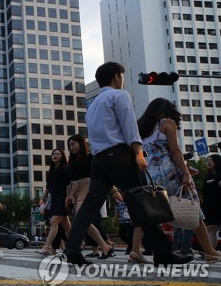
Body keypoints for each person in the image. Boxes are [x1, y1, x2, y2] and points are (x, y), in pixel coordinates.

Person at [63, 62, 193, 266]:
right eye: (122, 76)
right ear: (117, 76)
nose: (122, 80)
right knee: (142, 201)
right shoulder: (119, 95)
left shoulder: (93, 105)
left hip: (98, 160)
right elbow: (129, 125)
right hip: (119, 156)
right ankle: (163, 253)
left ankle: (72, 248)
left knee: (90, 206)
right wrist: (138, 153)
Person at [138, 98, 221, 262]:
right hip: (170, 172)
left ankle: (135, 249)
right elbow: (175, 151)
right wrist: (185, 173)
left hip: (150, 175)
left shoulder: (142, 127)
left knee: (148, 213)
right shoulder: (168, 123)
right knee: (192, 208)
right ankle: (209, 251)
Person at [66, 134, 114, 259]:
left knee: (81, 218)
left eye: (73, 144)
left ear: (81, 144)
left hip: (87, 187)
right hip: (75, 190)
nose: (71, 148)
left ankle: (104, 245)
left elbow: (102, 173)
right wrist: (69, 196)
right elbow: (70, 181)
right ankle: (105, 245)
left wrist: (113, 191)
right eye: (69, 145)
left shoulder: (90, 157)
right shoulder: (71, 160)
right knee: (82, 220)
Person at [37, 149, 71, 256]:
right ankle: (73, 247)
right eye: (54, 154)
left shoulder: (65, 168)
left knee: (53, 222)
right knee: (66, 226)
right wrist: (43, 197)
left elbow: (69, 184)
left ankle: (47, 247)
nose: (55, 156)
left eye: (58, 154)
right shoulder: (51, 170)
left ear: (62, 156)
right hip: (55, 200)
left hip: (63, 198)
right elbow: (48, 187)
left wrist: (69, 197)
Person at [203, 154, 221, 249]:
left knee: (211, 229)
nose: (209, 162)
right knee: (210, 229)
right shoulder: (206, 176)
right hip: (209, 207)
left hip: (219, 206)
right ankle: (210, 252)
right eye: (208, 160)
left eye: (212, 160)